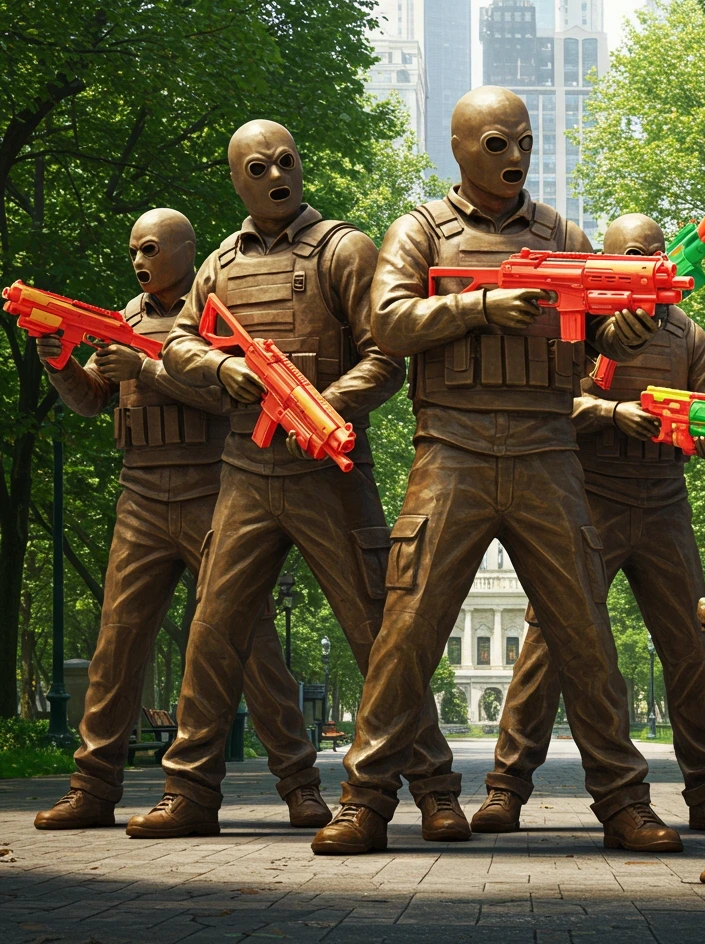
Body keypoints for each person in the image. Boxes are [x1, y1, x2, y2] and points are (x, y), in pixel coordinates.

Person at [316, 87, 679, 856]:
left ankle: (623, 802)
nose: (515, 157)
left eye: (524, 142)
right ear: (460, 147)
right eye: (496, 144)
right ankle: (366, 800)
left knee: (584, 632)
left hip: (549, 449)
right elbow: (387, 324)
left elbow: (595, 338)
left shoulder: (564, 232)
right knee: (408, 630)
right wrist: (480, 309)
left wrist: (629, 324)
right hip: (451, 448)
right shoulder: (421, 231)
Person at [126, 123, 459, 840]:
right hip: (245, 471)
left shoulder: (344, 249)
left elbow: (387, 356)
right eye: (259, 166)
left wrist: (324, 406)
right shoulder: (218, 262)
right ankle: (189, 793)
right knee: (212, 633)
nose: (277, 173)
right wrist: (225, 370)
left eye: (287, 160)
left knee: (379, 634)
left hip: (330, 472)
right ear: (238, 183)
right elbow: (180, 341)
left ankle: (435, 790)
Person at [33, 208, 329, 831]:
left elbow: (231, 393)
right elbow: (91, 401)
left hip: (212, 489)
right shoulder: (124, 321)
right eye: (133, 251)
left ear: (185, 252)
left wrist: (148, 369)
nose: (138, 262)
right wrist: (60, 364)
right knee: (117, 641)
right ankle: (93, 786)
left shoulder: (217, 316)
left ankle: (300, 783)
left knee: (247, 645)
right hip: (139, 494)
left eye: (149, 249)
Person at [471, 213, 705, 835]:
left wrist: (703, 431)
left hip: (665, 502)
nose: (647, 261)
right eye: (631, 253)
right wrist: (613, 413)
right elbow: (553, 404)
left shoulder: (689, 335)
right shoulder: (581, 328)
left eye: (654, 251)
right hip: (591, 500)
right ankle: (506, 788)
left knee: (693, 649)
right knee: (548, 643)